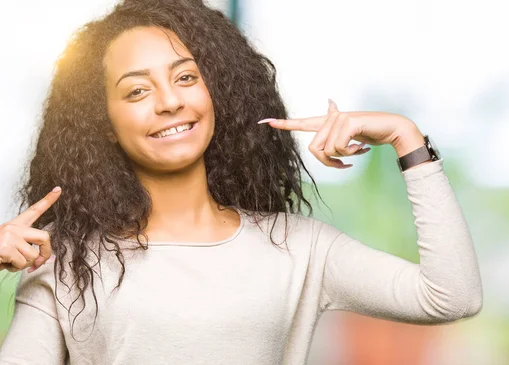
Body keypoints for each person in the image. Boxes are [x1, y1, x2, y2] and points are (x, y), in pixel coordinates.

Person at [0, 0, 483, 364]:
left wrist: (407, 137)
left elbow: (452, 296)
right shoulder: (67, 260)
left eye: (186, 78)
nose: (169, 101)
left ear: (217, 92)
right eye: (137, 90)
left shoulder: (297, 247)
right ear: (103, 121)